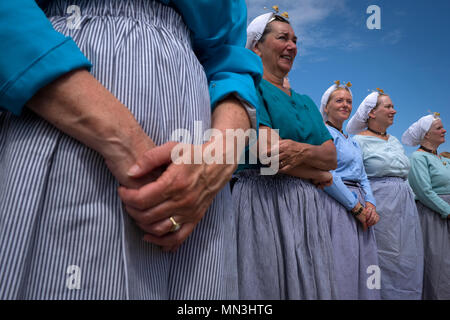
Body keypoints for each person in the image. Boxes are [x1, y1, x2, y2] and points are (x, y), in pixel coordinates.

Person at [0, 0, 262, 299]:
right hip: (70, 111)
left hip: (199, 182)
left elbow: (230, 60)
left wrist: (216, 162)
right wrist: (122, 141)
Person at [232, 10, 338, 299]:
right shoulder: (249, 87)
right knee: (267, 282)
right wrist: (317, 172)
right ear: (257, 47)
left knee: (308, 281)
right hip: (263, 199)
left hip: (306, 205)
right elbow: (270, 156)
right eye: (282, 38)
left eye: (295, 40)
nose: (292, 46)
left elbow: (332, 157)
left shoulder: (304, 102)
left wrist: (303, 152)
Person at [346, 90, 424, 299]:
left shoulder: (395, 141)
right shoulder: (357, 141)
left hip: (405, 207)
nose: (394, 110)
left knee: (407, 257)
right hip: (379, 203)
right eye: (388, 107)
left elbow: (404, 175)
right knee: (381, 256)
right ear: (372, 113)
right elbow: (355, 177)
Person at [319, 82, 380, 299]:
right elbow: (328, 172)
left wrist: (371, 204)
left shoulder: (352, 142)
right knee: (343, 261)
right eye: (339, 100)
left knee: (366, 262)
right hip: (338, 202)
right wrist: (356, 207)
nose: (345, 105)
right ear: (326, 107)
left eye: (349, 101)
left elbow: (362, 175)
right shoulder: (323, 133)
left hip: (361, 203)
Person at [402, 113, 450, 299]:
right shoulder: (418, 158)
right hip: (434, 217)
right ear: (426, 135)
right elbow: (424, 192)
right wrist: (447, 210)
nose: (444, 130)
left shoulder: (444, 160)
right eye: (438, 128)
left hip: (444, 214)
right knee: (438, 266)